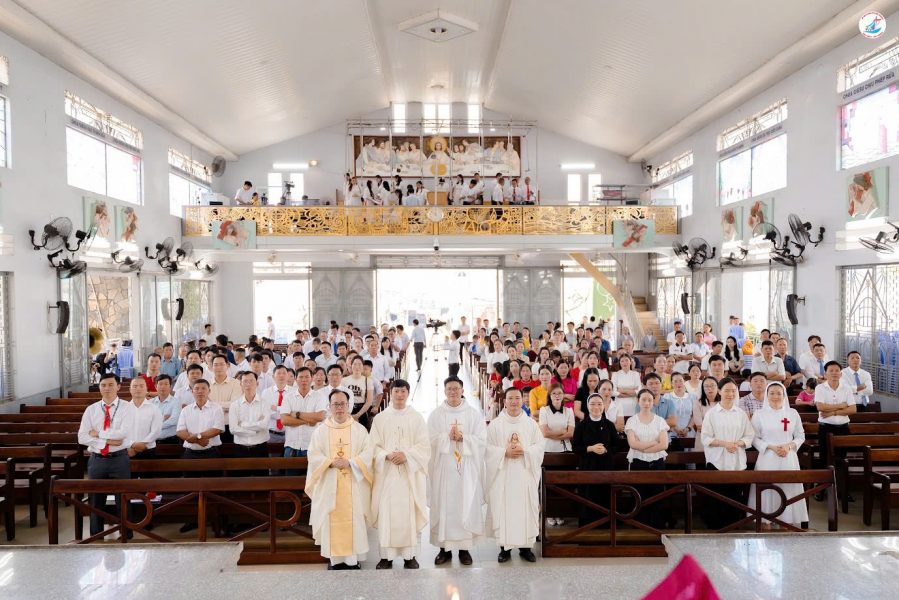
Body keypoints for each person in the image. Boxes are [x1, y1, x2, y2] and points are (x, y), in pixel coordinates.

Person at [305, 389, 374, 570]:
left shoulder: (359, 430)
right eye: (335, 404)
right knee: (331, 518)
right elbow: (313, 455)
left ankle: (352, 560)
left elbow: (368, 454)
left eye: (343, 404)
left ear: (348, 405)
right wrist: (329, 462)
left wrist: (351, 462)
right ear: (329, 407)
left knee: (354, 519)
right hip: (329, 483)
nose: (339, 408)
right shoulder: (321, 431)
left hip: (353, 483)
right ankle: (335, 560)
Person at [369, 380, 430, 569]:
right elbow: (372, 446)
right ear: (391, 393)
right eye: (396, 391)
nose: (400, 395)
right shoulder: (380, 418)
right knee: (387, 514)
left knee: (408, 514)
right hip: (387, 474)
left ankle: (409, 556)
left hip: (408, 475)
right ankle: (385, 557)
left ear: (408, 393)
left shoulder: (416, 418)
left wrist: (407, 456)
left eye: (403, 391)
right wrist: (386, 455)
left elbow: (424, 446)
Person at [427, 376, 487, 566]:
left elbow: (482, 440)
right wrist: (446, 437)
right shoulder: (436, 415)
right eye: (449, 389)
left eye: (456, 388)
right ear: (445, 391)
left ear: (462, 390)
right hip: (444, 468)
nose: (453, 392)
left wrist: (463, 438)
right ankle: (443, 549)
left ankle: (464, 549)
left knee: (465, 504)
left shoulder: (473, 414)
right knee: (444, 506)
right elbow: (429, 440)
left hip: (466, 469)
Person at [485, 387, 544, 563]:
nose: (514, 402)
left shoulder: (531, 424)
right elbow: (487, 449)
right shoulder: (496, 424)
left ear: (522, 400)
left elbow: (540, 447)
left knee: (525, 510)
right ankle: (505, 549)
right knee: (504, 510)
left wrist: (525, 451)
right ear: (505, 401)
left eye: (517, 398)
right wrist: (504, 452)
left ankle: (526, 548)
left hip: (525, 476)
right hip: (503, 476)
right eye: (510, 398)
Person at [78, 373, 136, 537]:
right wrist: (107, 442)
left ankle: (126, 534)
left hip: (119, 459)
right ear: (99, 387)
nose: (107, 388)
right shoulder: (91, 409)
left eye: (111, 385)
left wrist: (98, 434)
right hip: (97, 460)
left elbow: (123, 434)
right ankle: (96, 535)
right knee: (96, 500)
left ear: (118, 386)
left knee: (123, 498)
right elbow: (82, 437)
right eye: (103, 385)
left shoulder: (127, 407)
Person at [748, 382, 808, 528]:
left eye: (779, 393)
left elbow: (800, 436)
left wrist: (789, 446)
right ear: (767, 395)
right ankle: (765, 523)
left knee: (788, 489)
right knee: (767, 489)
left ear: (784, 395)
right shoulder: (759, 414)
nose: (775, 396)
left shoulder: (792, 413)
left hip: (788, 456)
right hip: (767, 456)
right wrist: (771, 447)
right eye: (772, 393)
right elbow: (753, 437)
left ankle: (786, 523)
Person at [701, 377, 755, 529]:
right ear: (719, 391)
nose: (730, 394)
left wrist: (737, 444)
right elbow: (705, 438)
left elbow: (749, 436)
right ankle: (717, 526)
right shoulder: (712, 413)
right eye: (727, 391)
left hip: (737, 460)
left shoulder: (741, 413)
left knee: (735, 495)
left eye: (733, 391)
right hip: (716, 460)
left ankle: (734, 525)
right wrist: (725, 444)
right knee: (717, 495)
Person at [625, 388, 670, 528]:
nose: (646, 402)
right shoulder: (632, 420)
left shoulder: (660, 421)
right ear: (638, 401)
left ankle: (657, 525)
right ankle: (639, 525)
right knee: (639, 494)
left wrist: (643, 447)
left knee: (657, 494)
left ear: (653, 402)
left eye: (649, 400)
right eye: (643, 399)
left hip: (657, 462)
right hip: (638, 462)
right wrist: (653, 442)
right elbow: (633, 444)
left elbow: (664, 445)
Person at [571, 392, 617, 526]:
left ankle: (606, 524)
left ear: (603, 406)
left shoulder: (609, 425)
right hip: (587, 466)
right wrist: (590, 448)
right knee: (587, 493)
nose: (596, 407)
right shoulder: (581, 425)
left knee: (605, 493)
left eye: (599, 404)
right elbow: (575, 447)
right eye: (592, 404)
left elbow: (616, 446)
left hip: (606, 466)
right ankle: (587, 524)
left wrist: (606, 450)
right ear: (587, 406)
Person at [814, 361, 857, 497]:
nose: (834, 373)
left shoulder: (846, 388)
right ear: (825, 374)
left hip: (843, 429)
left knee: (841, 459)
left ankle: (841, 490)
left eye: (837, 370)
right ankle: (821, 490)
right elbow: (820, 407)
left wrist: (833, 412)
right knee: (824, 459)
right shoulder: (820, 388)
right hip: (825, 429)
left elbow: (853, 409)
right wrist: (842, 405)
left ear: (841, 373)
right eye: (831, 371)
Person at [176, 379, 225, 459]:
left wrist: (198, 436)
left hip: (211, 453)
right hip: (190, 453)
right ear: (192, 392)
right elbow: (180, 432)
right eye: (197, 388)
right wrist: (197, 440)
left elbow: (217, 430)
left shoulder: (217, 408)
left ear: (209, 391)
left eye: (203, 388)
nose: (200, 391)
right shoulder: (186, 410)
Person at [127, 377, 162, 460]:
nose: (138, 388)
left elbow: (156, 431)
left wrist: (143, 444)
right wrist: (131, 444)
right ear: (130, 390)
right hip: (128, 450)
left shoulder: (155, 409)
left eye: (141, 386)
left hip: (148, 450)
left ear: (146, 389)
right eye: (135, 386)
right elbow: (120, 431)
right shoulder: (123, 409)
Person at [539, 384, 575, 454]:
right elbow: (545, 433)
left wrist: (554, 436)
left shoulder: (569, 411)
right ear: (549, 395)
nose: (557, 396)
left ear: (563, 395)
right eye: (554, 393)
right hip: (548, 449)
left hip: (565, 449)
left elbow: (570, 434)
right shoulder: (543, 410)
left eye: (559, 393)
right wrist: (562, 432)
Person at [343, 355, 375, 429]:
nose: (357, 366)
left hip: (362, 411)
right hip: (347, 410)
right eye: (355, 364)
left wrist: (358, 415)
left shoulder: (368, 381)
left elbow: (369, 401)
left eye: (360, 364)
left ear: (363, 366)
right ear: (351, 365)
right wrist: (348, 414)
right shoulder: (344, 380)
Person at [151, 375, 181, 444]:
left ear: (170, 386)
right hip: (152, 441)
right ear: (155, 386)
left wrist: (155, 425)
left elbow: (174, 420)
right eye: (160, 384)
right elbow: (147, 421)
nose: (163, 386)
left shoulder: (176, 402)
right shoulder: (150, 402)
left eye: (166, 384)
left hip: (171, 440)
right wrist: (164, 419)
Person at [692, 377, 719, 452]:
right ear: (703, 389)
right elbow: (699, 426)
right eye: (706, 386)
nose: (709, 388)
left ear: (718, 387)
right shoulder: (697, 403)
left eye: (712, 385)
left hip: (721, 440)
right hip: (703, 439)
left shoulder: (723, 402)